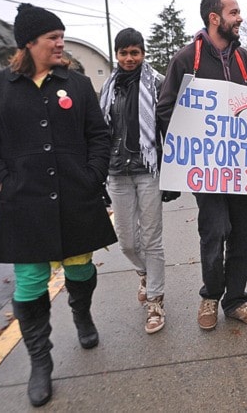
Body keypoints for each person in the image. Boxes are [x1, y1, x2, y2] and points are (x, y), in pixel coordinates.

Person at [0, 3, 117, 407]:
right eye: (53, 37)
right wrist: (0, 179)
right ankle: (40, 362)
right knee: (30, 282)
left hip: (76, 197)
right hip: (23, 204)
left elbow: (99, 136)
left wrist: (93, 173)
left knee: (80, 267)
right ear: (29, 43)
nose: (60, 43)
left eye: (62, 36)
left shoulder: (78, 85)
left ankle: (82, 316)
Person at [156, 0, 247, 331]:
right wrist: (191, 140)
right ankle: (210, 295)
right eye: (234, 12)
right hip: (206, 169)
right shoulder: (186, 59)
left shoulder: (244, 59)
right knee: (215, 232)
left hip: (240, 167)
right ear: (214, 18)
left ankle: (235, 301)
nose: (240, 18)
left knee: (242, 236)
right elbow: (165, 110)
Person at [99, 28, 167, 334]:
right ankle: (144, 273)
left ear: (143, 53)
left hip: (149, 170)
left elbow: (175, 122)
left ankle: (155, 302)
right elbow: (100, 132)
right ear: (116, 54)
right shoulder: (107, 88)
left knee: (151, 239)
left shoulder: (158, 84)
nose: (129, 58)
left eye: (135, 52)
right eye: (124, 53)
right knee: (126, 241)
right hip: (116, 172)